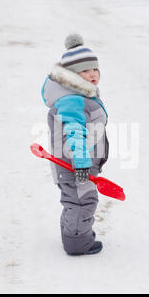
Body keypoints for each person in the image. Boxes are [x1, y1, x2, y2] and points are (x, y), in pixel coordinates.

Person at [41, 33, 109, 256]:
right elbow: (74, 132)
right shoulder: (72, 99)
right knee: (82, 202)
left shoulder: (78, 93)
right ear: (72, 75)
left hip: (77, 161)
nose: (92, 74)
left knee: (74, 200)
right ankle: (78, 244)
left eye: (95, 69)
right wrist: (81, 163)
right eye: (85, 71)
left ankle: (73, 235)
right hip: (76, 163)